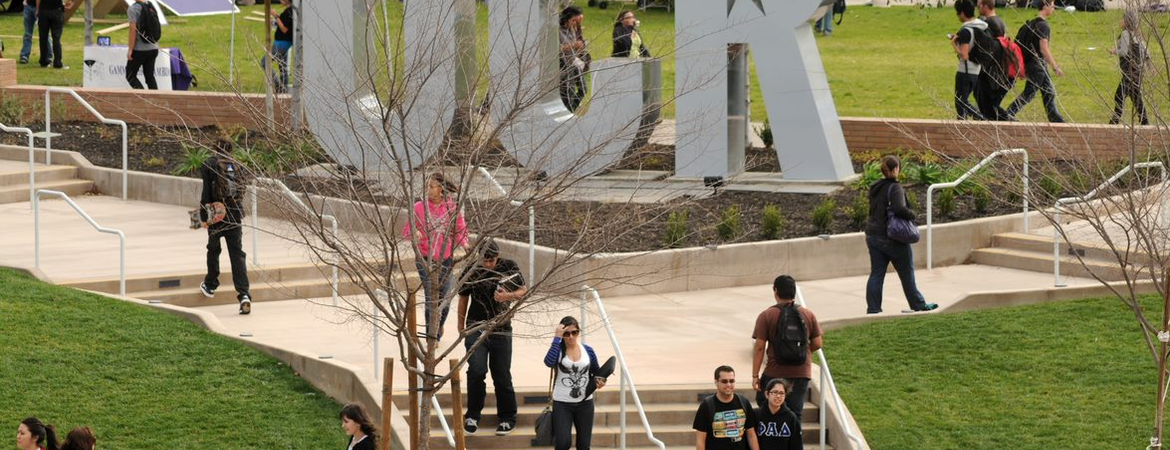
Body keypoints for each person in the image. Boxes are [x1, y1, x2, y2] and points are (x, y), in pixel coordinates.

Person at [457, 240, 526, 436]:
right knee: (477, 370)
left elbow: (523, 290)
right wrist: (460, 326)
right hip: (476, 326)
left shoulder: (509, 266)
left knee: (501, 373)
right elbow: (463, 297)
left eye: (492, 260)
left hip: (501, 328)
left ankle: (507, 417)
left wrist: (508, 296)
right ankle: (472, 415)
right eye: (485, 260)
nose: (488, 264)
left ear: (498, 256)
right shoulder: (472, 270)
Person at [864, 155, 938, 314]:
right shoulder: (895, 187)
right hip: (892, 238)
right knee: (906, 272)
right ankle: (918, 304)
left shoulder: (875, 187)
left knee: (877, 273)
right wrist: (912, 214)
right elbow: (899, 209)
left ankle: (873, 309)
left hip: (873, 235)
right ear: (896, 169)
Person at [402, 173, 469, 340]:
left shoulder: (452, 208)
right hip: (424, 259)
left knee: (444, 298)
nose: (428, 190)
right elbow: (406, 230)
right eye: (427, 186)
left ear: (441, 189)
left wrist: (465, 244)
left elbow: (460, 230)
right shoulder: (419, 207)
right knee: (431, 297)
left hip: (445, 259)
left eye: (431, 186)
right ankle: (432, 336)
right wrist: (414, 232)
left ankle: (438, 325)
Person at [750, 275, 823, 418]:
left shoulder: (767, 315)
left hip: (775, 371)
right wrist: (801, 352)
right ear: (794, 292)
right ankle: (794, 439)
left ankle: (772, 437)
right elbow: (817, 343)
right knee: (795, 414)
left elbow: (759, 347)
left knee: (766, 406)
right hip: (801, 372)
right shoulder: (808, 314)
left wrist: (755, 375)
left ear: (775, 291)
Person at [198, 139, 252, 314]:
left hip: (216, 213)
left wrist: (203, 217)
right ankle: (244, 294)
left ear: (214, 148)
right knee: (237, 254)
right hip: (235, 214)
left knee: (213, 249)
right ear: (231, 149)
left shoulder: (209, 165)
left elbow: (206, 194)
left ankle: (211, 284)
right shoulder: (238, 166)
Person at [544, 316, 609, 450]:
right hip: (562, 403)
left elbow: (596, 372)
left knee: (584, 445)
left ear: (579, 332)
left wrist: (601, 381)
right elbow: (549, 362)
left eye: (575, 332)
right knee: (563, 443)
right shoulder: (559, 350)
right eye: (567, 333)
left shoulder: (588, 350)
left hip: (585, 403)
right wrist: (557, 338)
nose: (571, 337)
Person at [1005, 0, 1065, 123]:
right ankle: (1009, 112)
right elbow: (1044, 49)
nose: (1053, 8)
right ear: (1046, 6)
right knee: (1030, 92)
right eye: (1052, 5)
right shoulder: (1043, 26)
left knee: (1049, 91)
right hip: (1037, 65)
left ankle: (1055, 119)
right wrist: (1055, 66)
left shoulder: (1029, 24)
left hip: (1031, 64)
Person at [693, 365, 760, 450]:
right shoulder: (706, 406)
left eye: (731, 381)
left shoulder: (744, 402)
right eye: (724, 381)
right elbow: (700, 441)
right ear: (716, 382)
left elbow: (751, 435)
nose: (728, 384)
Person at [1108, 11, 1149, 126]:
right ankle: (1145, 121)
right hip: (1137, 72)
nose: (1120, 21)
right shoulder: (1137, 34)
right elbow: (1146, 52)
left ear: (1126, 21)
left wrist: (1113, 51)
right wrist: (1148, 66)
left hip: (1129, 72)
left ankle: (1115, 121)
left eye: (1122, 19)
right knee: (1136, 98)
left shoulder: (1126, 33)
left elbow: (1124, 52)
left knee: (1119, 96)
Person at [951, 0, 987, 120]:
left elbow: (964, 55)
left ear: (962, 13)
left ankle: (981, 118)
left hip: (965, 70)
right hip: (976, 69)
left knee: (961, 101)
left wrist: (953, 44)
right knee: (963, 100)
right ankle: (965, 122)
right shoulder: (981, 27)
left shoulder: (966, 31)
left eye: (957, 13)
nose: (957, 16)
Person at [976, 0, 1010, 121]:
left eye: (979, 5)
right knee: (990, 105)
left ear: (985, 6)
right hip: (999, 67)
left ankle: (1007, 122)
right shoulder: (999, 21)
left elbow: (986, 48)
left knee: (987, 106)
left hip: (989, 70)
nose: (978, 7)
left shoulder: (987, 24)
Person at [755, 379, 802, 450]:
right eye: (775, 392)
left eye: (782, 393)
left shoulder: (791, 418)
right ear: (767, 394)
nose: (778, 396)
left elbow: (797, 445)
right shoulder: (756, 415)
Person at [559, 6, 589, 112]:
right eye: (574, 21)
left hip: (574, 61)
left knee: (583, 89)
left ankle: (571, 109)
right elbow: (555, 49)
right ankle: (567, 111)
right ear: (566, 18)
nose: (576, 24)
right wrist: (574, 45)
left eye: (579, 21)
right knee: (567, 92)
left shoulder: (572, 29)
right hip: (563, 65)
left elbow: (576, 47)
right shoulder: (556, 30)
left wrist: (581, 47)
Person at [126, 0, 161, 89]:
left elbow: (133, 30)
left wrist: (130, 49)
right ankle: (155, 100)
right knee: (149, 77)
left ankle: (144, 98)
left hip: (140, 49)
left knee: (130, 75)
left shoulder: (133, 9)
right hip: (153, 47)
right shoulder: (150, 5)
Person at [266, 0, 295, 93]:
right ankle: (284, 88)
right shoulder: (289, 10)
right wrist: (275, 22)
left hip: (282, 43)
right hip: (282, 42)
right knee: (282, 66)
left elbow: (285, 29)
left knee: (265, 62)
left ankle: (278, 84)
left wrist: (275, 16)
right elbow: (284, 24)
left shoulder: (289, 11)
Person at [36, 0, 71, 69]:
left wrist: (38, 9)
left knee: (43, 37)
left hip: (43, 10)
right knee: (56, 38)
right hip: (56, 10)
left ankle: (43, 61)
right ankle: (57, 62)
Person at [20, 0, 36, 64]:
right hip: (28, 6)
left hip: (41, 8)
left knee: (44, 34)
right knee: (27, 34)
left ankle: (48, 57)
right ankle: (24, 55)